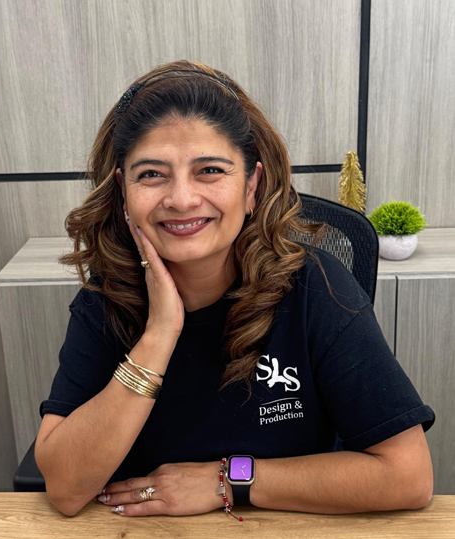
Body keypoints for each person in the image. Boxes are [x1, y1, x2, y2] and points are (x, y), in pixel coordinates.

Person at [35, 60, 435, 519]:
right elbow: (65, 489)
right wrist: (160, 332)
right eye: (151, 174)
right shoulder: (105, 299)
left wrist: (225, 480)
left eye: (209, 170)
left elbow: (408, 476)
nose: (181, 199)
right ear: (124, 192)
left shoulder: (315, 287)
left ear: (251, 187)